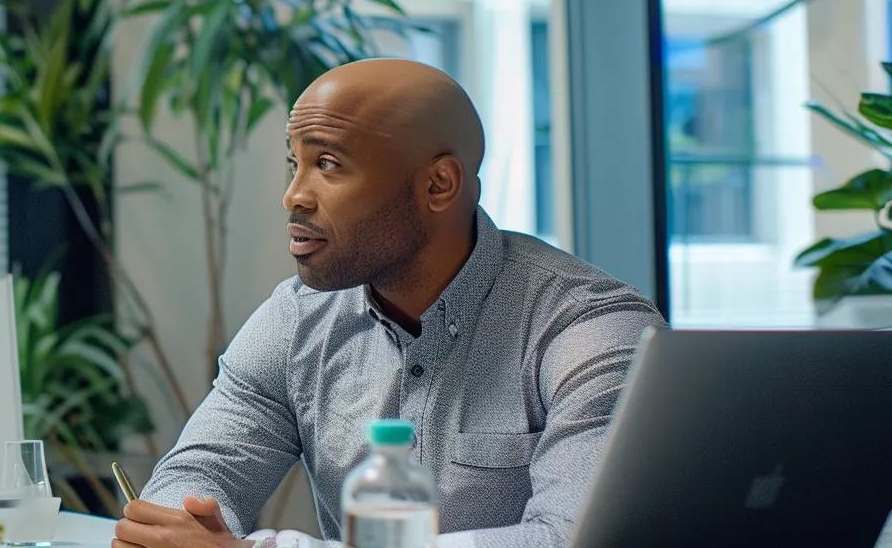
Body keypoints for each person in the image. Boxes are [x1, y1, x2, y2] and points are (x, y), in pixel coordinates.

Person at [113, 59, 665, 548]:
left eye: (328, 164)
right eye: (294, 164)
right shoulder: (296, 320)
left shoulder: (590, 328)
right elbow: (201, 471)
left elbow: (573, 538)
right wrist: (180, 527)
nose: (294, 195)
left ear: (439, 185)